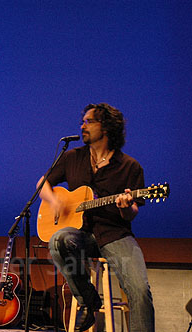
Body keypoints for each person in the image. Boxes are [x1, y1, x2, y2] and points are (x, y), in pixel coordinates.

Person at [38, 103, 154, 331]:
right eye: (83, 121)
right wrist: (54, 200)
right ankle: (89, 304)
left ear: (107, 127)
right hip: (79, 235)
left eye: (89, 121)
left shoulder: (130, 166)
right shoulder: (72, 157)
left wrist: (124, 207)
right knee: (58, 240)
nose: (83, 126)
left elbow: (131, 215)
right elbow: (43, 183)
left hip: (115, 234)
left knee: (140, 291)